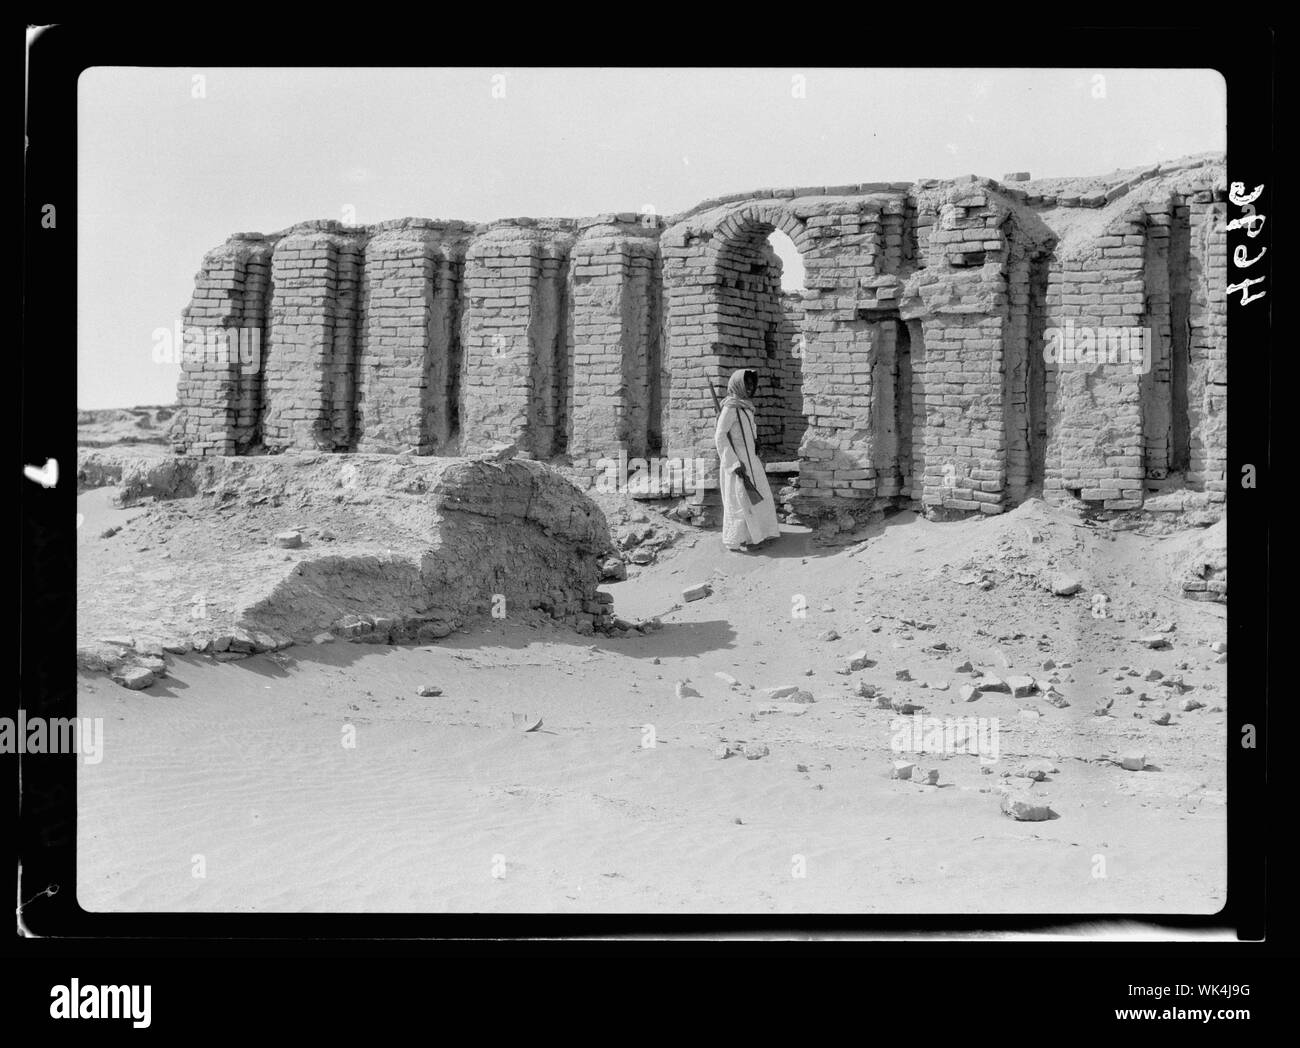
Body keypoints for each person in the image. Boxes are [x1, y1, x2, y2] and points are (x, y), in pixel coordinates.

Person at [714, 368, 781, 552]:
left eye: (752, 384)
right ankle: (742, 539)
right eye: (747, 384)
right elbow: (720, 436)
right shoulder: (730, 408)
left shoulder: (746, 407)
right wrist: (733, 463)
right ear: (739, 385)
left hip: (752, 459)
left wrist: (756, 442)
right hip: (738, 463)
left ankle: (758, 535)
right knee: (740, 501)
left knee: (759, 497)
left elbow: (750, 431)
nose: (751, 388)